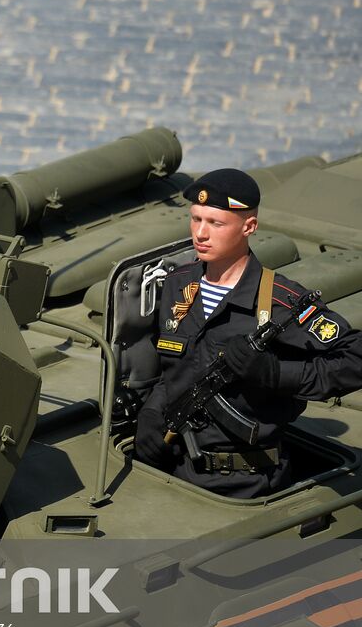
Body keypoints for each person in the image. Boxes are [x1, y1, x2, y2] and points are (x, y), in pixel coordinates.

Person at [134, 169, 362, 497]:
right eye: (196, 219)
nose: (201, 233)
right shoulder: (177, 285)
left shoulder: (281, 301)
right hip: (176, 470)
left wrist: (275, 373)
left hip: (246, 483)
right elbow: (171, 370)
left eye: (216, 223)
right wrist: (153, 413)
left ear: (249, 227)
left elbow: (355, 358)